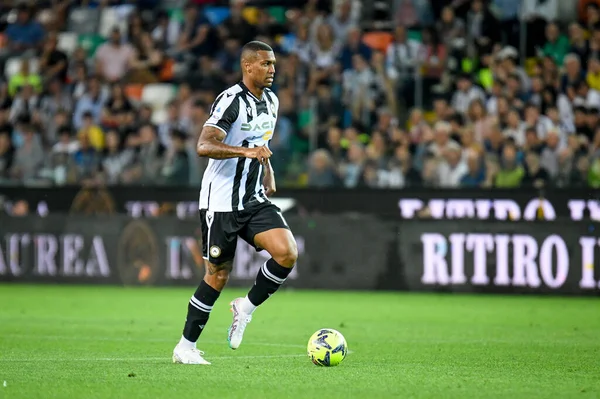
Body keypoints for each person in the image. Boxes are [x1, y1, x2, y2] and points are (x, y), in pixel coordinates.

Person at [172, 41, 298, 365]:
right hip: (221, 201)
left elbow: (261, 142)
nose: (272, 70)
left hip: (253, 196)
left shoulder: (271, 101)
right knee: (217, 276)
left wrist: (267, 170)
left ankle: (245, 308)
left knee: (286, 253)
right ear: (248, 66)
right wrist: (247, 153)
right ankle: (185, 347)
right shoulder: (231, 100)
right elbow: (204, 144)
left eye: (273, 64)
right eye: (266, 64)